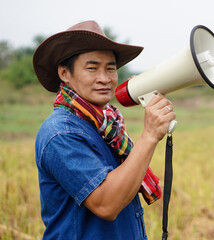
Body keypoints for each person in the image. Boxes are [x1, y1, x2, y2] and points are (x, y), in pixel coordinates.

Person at [33, 20, 176, 240]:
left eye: (110, 68)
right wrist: (149, 136)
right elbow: (106, 204)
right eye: (92, 68)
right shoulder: (60, 133)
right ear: (64, 73)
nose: (104, 78)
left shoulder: (107, 126)